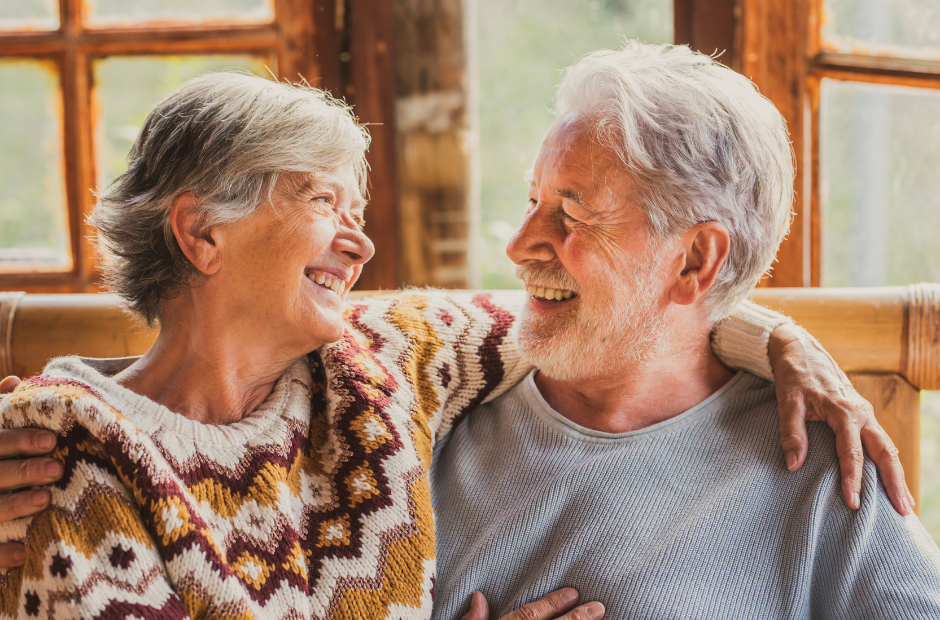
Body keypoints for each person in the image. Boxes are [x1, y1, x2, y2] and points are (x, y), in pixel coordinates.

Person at [0, 70, 911, 620]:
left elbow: (629, 308)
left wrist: (779, 337)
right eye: (324, 203)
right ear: (203, 236)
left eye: (354, 210)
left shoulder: (382, 374)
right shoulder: (66, 459)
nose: (358, 244)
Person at [429, 41, 940, 620]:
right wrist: (774, 336)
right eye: (531, 199)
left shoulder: (824, 467)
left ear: (696, 261)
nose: (518, 246)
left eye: (571, 216)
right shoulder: (420, 414)